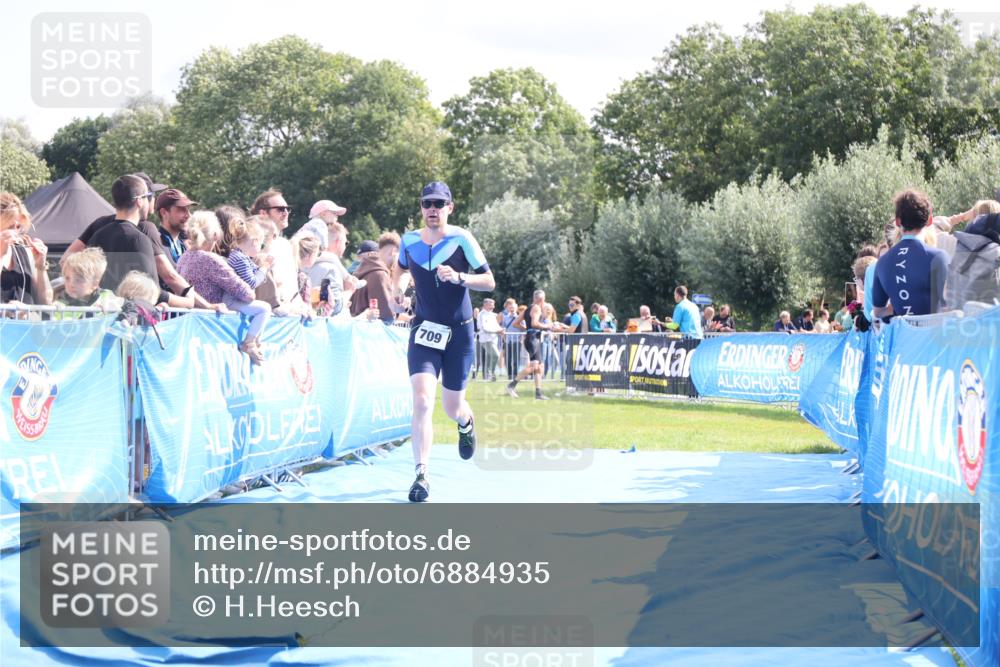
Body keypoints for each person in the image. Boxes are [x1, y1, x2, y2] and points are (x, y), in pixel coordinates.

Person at [390, 181, 495, 502]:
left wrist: (461, 277)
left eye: (438, 204)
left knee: (452, 407)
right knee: (422, 400)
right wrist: (398, 291)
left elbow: (489, 282)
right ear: (421, 208)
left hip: (459, 333)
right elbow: (400, 270)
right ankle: (421, 474)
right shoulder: (409, 240)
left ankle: (466, 421)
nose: (432, 210)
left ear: (450, 207)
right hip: (424, 331)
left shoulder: (462, 239)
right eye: (426, 204)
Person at [178, 211, 270, 364]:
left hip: (191, 330)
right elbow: (248, 294)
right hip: (212, 333)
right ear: (215, 235)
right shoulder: (212, 260)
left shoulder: (183, 258)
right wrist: (262, 269)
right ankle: (250, 342)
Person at [872, 190, 949, 319]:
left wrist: (897, 309)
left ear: (897, 221)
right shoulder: (939, 257)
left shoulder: (882, 262)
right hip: (933, 336)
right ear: (930, 220)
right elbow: (949, 306)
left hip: (902, 338)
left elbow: (878, 312)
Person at [0, 192, 52, 307]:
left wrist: (40, 266)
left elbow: (46, 302)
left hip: (24, 323)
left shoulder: (24, 252)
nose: (15, 232)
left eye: (18, 227)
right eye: (10, 226)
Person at [506, 289, 554, 400]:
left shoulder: (528, 309)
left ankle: (538, 394)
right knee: (534, 366)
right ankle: (511, 385)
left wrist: (527, 330)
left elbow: (516, 323)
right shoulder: (537, 308)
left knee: (539, 367)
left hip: (531, 338)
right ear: (541, 299)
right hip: (533, 339)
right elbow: (534, 323)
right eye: (543, 300)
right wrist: (548, 326)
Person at [53, 247, 120, 317]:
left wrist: (122, 315)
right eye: (67, 278)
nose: (71, 284)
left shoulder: (106, 296)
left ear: (94, 283)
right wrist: (91, 313)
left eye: (78, 280)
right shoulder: (59, 305)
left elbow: (128, 306)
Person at [350, 232, 400, 323]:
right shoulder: (380, 274)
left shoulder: (359, 271)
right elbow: (387, 317)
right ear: (394, 252)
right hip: (372, 334)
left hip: (355, 331)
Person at [477, 298, 503, 381]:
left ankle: (488, 375)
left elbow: (496, 326)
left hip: (493, 339)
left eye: (493, 304)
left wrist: (501, 330)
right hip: (486, 339)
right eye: (491, 304)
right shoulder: (481, 315)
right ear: (485, 305)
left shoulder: (493, 315)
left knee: (489, 358)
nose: (493, 306)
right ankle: (491, 374)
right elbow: (484, 328)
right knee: (496, 355)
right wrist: (497, 331)